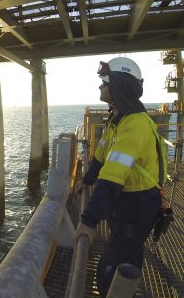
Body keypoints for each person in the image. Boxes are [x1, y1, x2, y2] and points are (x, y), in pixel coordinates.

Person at [75, 57, 164, 296]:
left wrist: (89, 220)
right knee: (130, 252)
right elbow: (102, 155)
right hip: (127, 202)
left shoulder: (135, 125)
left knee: (107, 270)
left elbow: (113, 175)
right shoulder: (118, 120)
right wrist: (87, 178)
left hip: (138, 205)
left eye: (104, 82)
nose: (100, 87)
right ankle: (128, 290)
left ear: (119, 85)